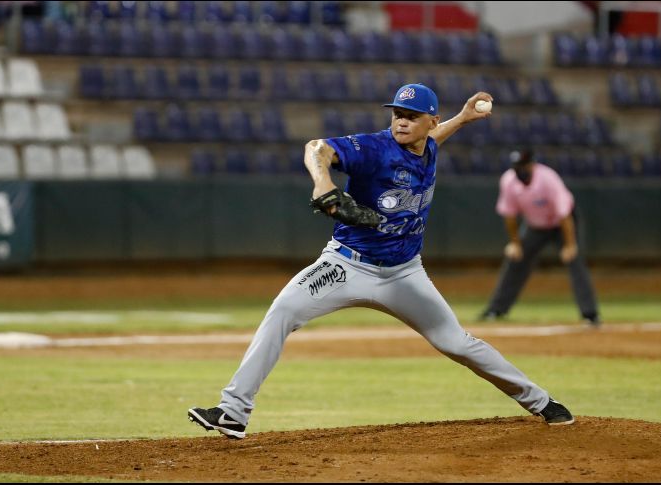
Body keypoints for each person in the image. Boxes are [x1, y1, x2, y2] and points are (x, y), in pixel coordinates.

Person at [188, 84, 575, 440]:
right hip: (346, 266)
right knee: (283, 310)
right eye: (396, 114)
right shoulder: (373, 148)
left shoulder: (430, 146)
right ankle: (233, 412)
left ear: (430, 121)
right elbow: (316, 147)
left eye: (411, 115)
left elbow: (433, 141)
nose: (401, 121)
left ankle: (541, 402)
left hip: (405, 273)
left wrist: (463, 118)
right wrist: (323, 182)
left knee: (457, 342)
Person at [478, 149, 600, 326]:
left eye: (524, 165)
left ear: (532, 164)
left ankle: (590, 314)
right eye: (517, 166)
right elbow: (510, 216)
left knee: (575, 261)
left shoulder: (548, 179)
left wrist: (570, 245)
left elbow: (564, 215)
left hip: (563, 224)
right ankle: (496, 310)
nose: (520, 169)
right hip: (535, 226)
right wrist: (515, 243)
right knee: (515, 261)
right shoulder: (509, 181)